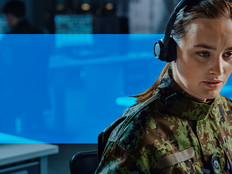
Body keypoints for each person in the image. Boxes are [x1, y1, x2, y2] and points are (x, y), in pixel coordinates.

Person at [95, 0, 232, 173]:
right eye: (203, 54)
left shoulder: (227, 111)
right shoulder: (138, 133)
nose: (219, 69)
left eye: (228, 54)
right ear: (170, 51)